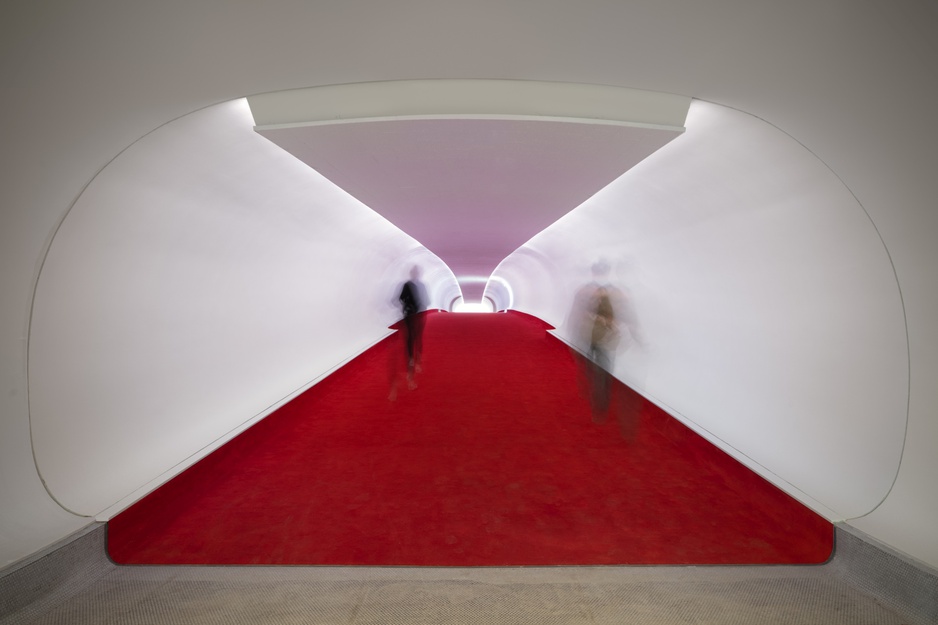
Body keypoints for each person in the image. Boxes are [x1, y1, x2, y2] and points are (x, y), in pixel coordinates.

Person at [390, 266, 428, 398]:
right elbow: (397, 299)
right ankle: (410, 373)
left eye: (417, 272)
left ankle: (417, 361)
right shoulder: (407, 285)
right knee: (410, 342)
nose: (416, 273)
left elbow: (427, 300)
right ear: (412, 273)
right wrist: (407, 307)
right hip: (410, 317)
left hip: (420, 316)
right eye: (414, 272)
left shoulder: (422, 286)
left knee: (418, 339)